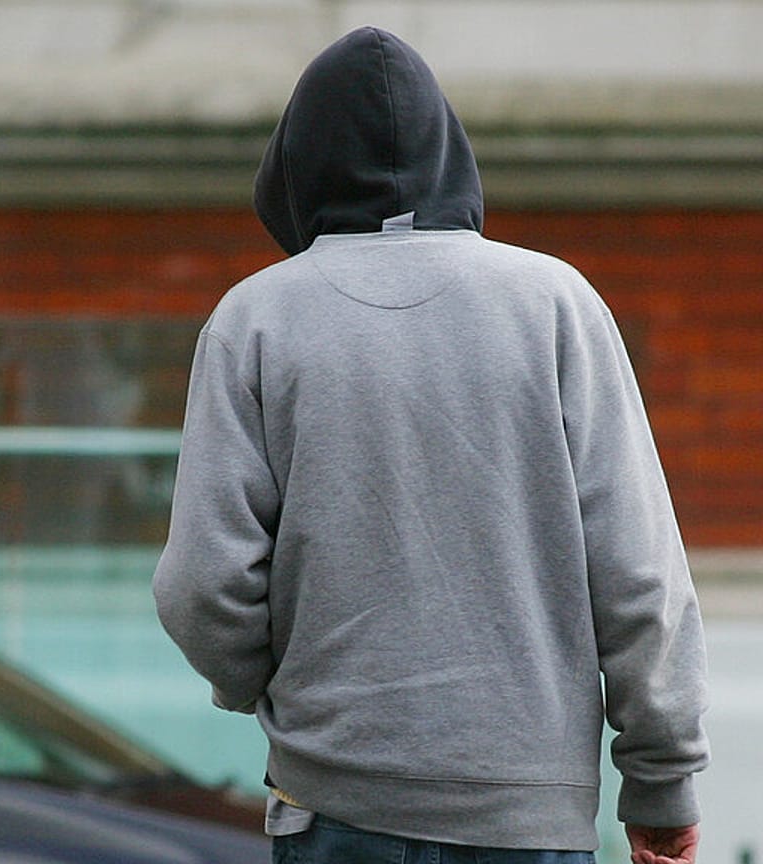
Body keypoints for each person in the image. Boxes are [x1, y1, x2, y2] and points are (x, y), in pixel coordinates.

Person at [151, 26, 709, 864]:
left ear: (294, 167)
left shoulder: (255, 319)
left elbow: (203, 584)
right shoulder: (555, 303)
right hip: (528, 819)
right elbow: (640, 578)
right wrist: (662, 782)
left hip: (332, 804)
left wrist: (272, 686)